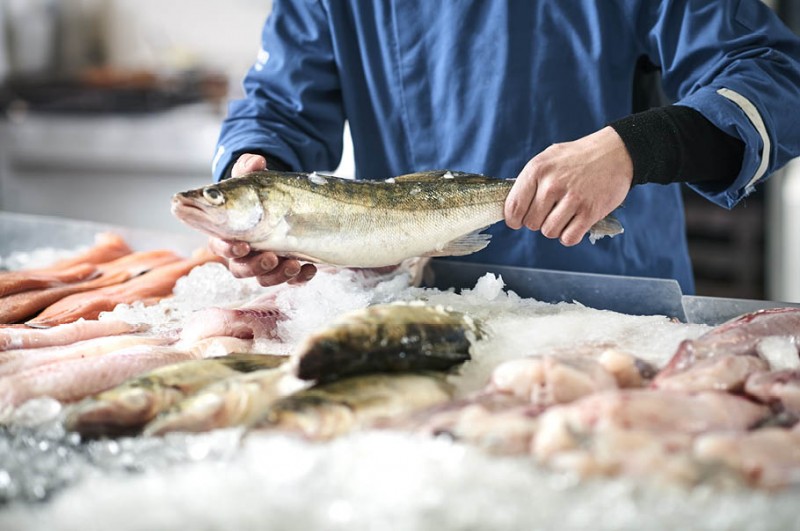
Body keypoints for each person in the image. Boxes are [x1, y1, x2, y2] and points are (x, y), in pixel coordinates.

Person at [208, 1, 800, 293]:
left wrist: (634, 147)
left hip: (607, 302)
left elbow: (771, 74)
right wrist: (256, 178)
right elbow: (280, 105)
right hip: (413, 300)